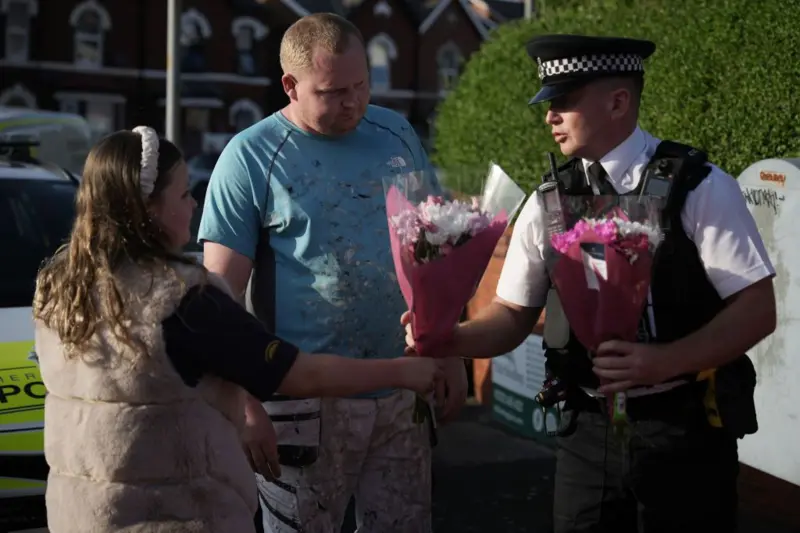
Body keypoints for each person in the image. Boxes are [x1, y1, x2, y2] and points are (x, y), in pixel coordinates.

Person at [403, 35, 777, 533]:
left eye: (563, 101)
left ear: (618, 101)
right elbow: (512, 316)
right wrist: (443, 339)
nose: (548, 117)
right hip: (586, 432)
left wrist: (666, 360)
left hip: (684, 431)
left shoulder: (701, 187)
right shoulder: (546, 201)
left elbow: (756, 308)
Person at [32, 126, 441, 533]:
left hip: (83, 515)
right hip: (171, 514)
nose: (194, 204)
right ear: (149, 212)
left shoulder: (60, 288)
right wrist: (401, 372)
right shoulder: (182, 299)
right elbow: (299, 373)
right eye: (182, 194)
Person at [198, 12, 468, 533]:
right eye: (333, 92)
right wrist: (244, 401)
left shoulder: (396, 133)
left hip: (402, 388)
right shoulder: (249, 157)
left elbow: (433, 247)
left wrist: (450, 349)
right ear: (290, 86)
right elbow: (220, 301)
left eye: (361, 84)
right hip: (303, 403)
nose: (353, 102)